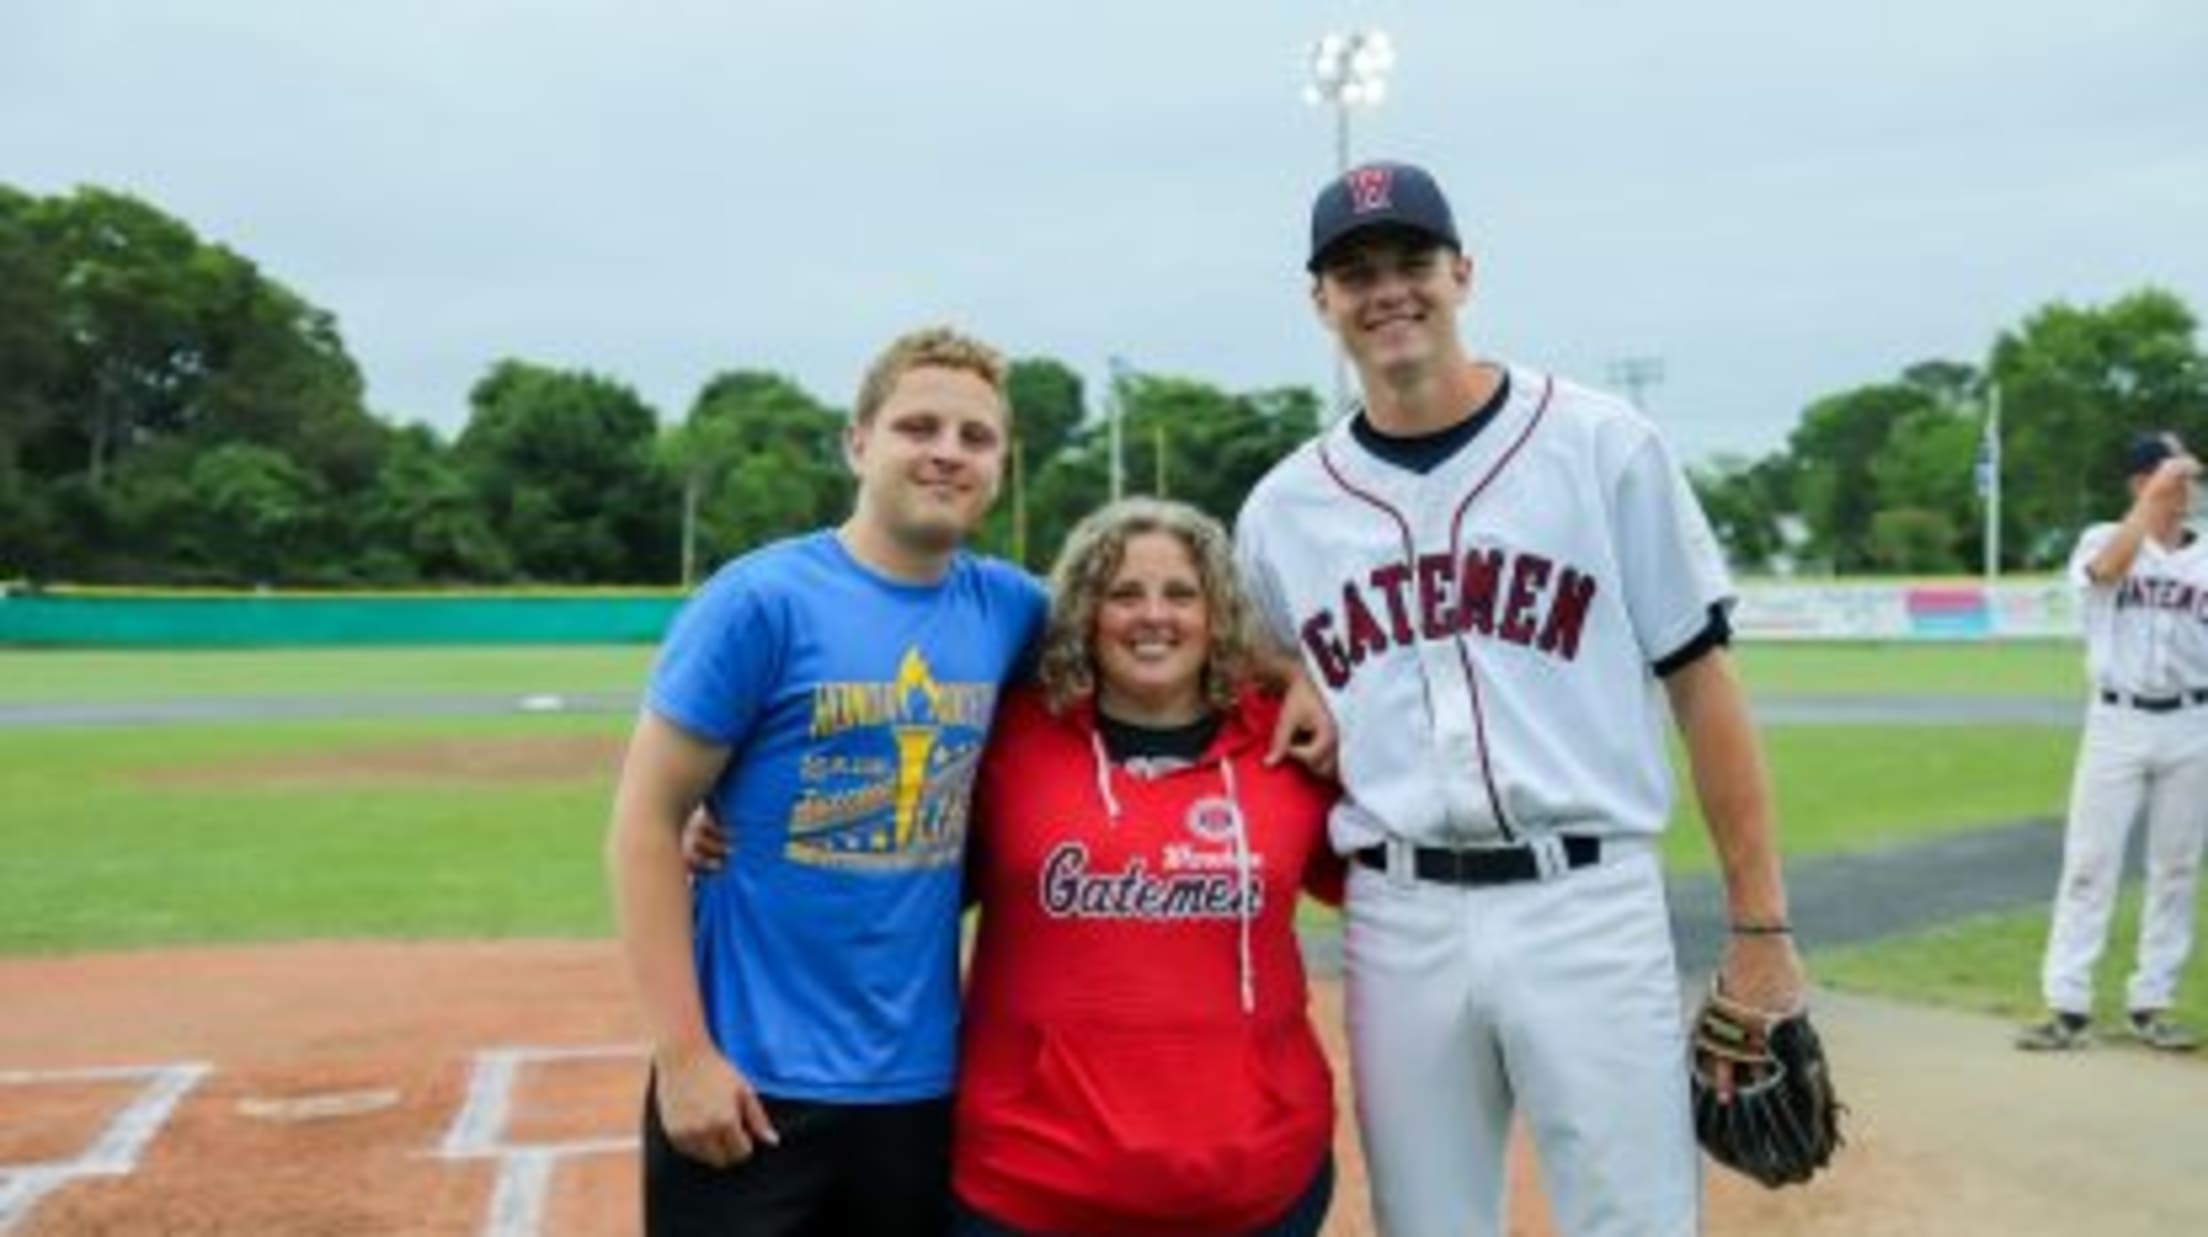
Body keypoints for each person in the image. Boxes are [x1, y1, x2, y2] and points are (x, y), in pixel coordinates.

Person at [1233, 159, 1806, 1236]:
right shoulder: (1282, 510)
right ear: (1322, 302)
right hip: (1397, 913)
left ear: (1463, 271)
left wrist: (1761, 928)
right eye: (1355, 272)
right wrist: (1288, 672)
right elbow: (1261, 667)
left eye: (1412, 261)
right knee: (1428, 1220)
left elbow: (1704, 685)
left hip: (1585, 900)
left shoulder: (1600, 446)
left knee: (1631, 1217)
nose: (1388, 289)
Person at [604, 325, 1049, 1237]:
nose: (946, 453)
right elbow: (646, 822)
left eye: (975, 437)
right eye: (917, 426)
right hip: (747, 1081)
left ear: (1001, 462)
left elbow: (1166, 640)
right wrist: (683, 1056)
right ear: (859, 441)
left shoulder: (1012, 610)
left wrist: (1296, 682)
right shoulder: (761, 600)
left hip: (919, 1084)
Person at [951, 498, 1342, 1237]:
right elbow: (890, 857)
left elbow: (1397, 870)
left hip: (1256, 1184)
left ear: (1217, 612)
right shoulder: (1006, 735)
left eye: (1180, 594)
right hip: (1027, 1186)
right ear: (1084, 612)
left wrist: (1309, 683)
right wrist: (723, 820)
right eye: (1124, 593)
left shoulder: (1291, 741)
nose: (1152, 615)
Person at [2017, 431, 2208, 1054]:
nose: (2183, 491)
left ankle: (2152, 1002)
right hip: (2116, 721)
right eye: (2168, 480)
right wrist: (2151, 501)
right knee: (2090, 864)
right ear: (2139, 483)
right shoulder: (2103, 538)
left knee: (2176, 868)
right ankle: (2068, 1005)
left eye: (2186, 480)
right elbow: (2107, 573)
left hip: (2191, 721)